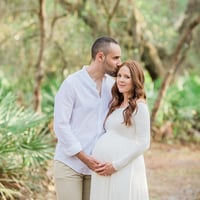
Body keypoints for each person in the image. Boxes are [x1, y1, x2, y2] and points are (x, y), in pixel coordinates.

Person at [53, 36, 121, 200]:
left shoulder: (113, 87)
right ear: (100, 56)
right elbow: (61, 125)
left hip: (97, 167)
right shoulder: (72, 84)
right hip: (69, 164)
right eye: (116, 58)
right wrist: (83, 157)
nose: (119, 63)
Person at [90, 60, 151, 200]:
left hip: (124, 168)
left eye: (127, 77)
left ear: (135, 80)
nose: (121, 80)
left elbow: (144, 143)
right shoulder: (116, 104)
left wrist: (116, 166)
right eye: (119, 76)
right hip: (103, 170)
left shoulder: (139, 107)